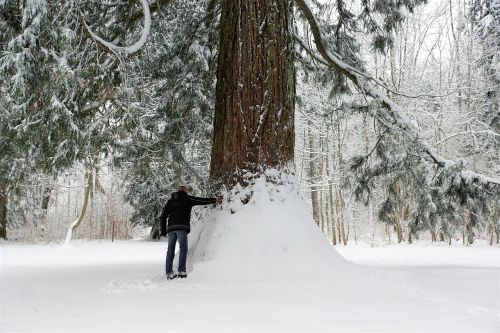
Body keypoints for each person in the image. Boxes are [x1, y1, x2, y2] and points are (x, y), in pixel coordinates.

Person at [160, 185, 216, 279]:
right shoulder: (187, 198)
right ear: (185, 191)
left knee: (170, 250)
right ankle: (181, 271)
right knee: (183, 248)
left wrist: (163, 230)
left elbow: (163, 216)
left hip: (171, 228)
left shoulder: (170, 201)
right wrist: (213, 200)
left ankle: (168, 272)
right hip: (182, 227)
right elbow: (200, 200)